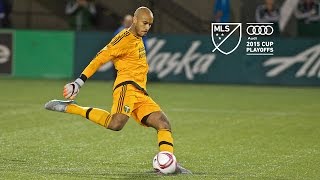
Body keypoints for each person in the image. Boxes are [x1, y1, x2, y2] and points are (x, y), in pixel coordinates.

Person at [44, 6, 191, 174]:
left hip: (140, 92)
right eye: (144, 23)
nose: (147, 27)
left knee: (163, 124)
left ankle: (170, 165)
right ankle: (72, 107)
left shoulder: (138, 36)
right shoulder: (123, 39)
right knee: (115, 124)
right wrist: (78, 82)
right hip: (126, 88)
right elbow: (99, 59)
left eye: (150, 24)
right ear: (134, 20)